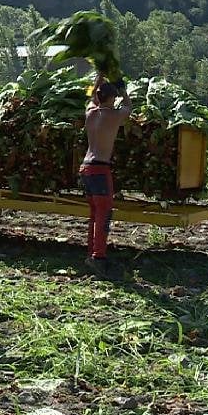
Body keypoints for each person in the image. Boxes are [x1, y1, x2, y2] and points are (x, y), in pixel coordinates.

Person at [80, 75, 131, 276]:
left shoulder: (90, 112)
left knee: (94, 213)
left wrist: (98, 77)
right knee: (103, 214)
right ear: (111, 98)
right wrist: (124, 90)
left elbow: (91, 96)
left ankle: (91, 252)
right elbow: (129, 107)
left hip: (85, 168)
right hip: (101, 169)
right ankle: (98, 257)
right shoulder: (114, 115)